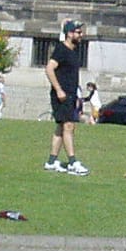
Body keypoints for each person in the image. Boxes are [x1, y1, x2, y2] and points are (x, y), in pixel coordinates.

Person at [44, 20, 88, 174]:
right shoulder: (61, 49)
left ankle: (51, 161)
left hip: (70, 94)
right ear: (70, 34)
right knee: (69, 126)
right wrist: (58, 90)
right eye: (78, 32)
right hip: (61, 95)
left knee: (61, 127)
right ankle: (72, 162)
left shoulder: (74, 50)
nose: (81, 35)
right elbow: (49, 69)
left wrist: (76, 95)